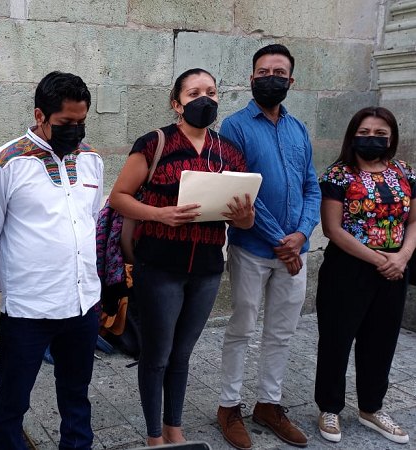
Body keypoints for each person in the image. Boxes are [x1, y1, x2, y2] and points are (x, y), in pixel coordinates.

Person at [109, 68, 255, 446]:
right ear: (177, 104)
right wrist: (160, 214)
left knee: (182, 354)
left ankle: (173, 426)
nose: (205, 99)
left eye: (211, 91)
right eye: (194, 93)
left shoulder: (228, 152)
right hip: (159, 267)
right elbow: (119, 198)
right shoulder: (154, 143)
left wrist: (244, 216)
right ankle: (153, 435)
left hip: (207, 269)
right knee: (157, 354)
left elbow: (245, 217)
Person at [0, 71, 104, 450]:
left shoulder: (91, 160)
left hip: (83, 304)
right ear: (40, 115)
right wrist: (15, 285)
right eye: (66, 122)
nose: (75, 130)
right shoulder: (6, 162)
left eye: (81, 121)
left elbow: (89, 220)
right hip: (28, 311)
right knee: (13, 400)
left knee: (76, 395)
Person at [216, 44, 321, 450]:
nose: (270, 78)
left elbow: (311, 186)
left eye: (279, 73)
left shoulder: (298, 130)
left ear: (290, 81)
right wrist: (281, 241)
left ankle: (268, 404)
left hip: (295, 251)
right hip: (253, 249)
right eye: (263, 72)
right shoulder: (235, 126)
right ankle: (229, 406)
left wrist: (302, 234)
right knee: (242, 328)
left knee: (281, 332)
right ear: (251, 78)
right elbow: (242, 193)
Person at [315, 107, 412, 445]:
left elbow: (414, 221)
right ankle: (329, 407)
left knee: (381, 340)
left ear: (391, 137)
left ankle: (372, 408)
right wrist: (378, 259)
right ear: (352, 135)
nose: (373, 139)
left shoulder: (405, 172)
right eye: (365, 132)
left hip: (395, 269)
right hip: (348, 268)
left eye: (380, 134)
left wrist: (402, 257)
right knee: (336, 339)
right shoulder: (338, 175)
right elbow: (332, 228)